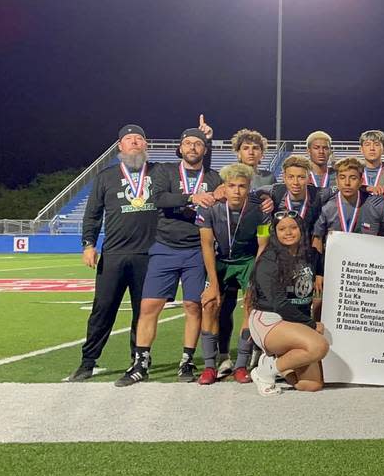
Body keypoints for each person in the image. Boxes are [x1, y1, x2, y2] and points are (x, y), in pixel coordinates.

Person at [117, 127, 223, 387]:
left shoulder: (214, 177)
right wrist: (191, 197)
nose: (192, 148)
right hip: (164, 247)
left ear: (205, 150)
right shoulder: (165, 171)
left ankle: (186, 361)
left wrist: (221, 196)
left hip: (197, 250)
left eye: (198, 144)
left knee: (193, 306)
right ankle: (140, 363)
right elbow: (158, 197)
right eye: (188, 143)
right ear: (180, 148)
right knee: (149, 306)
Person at [69, 124, 159, 382]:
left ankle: (138, 361)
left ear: (146, 144)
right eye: (128, 139)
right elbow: (93, 213)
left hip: (149, 256)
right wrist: (88, 244)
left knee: (142, 313)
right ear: (120, 146)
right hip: (114, 255)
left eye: (139, 139)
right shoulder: (106, 176)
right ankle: (88, 362)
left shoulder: (160, 172)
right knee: (103, 309)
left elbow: (191, 171)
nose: (134, 143)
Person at [197, 163, 270, 385]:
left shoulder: (260, 211)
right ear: (224, 188)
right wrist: (212, 284)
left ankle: (241, 365)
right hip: (220, 261)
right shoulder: (209, 208)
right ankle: (209, 366)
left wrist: (255, 278)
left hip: (248, 260)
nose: (236, 191)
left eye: (242, 186)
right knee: (209, 304)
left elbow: (263, 245)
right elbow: (207, 245)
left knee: (250, 305)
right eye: (231, 186)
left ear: (249, 187)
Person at [246, 212, 329, 396]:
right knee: (319, 346)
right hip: (270, 319)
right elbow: (280, 304)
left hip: (295, 322)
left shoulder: (311, 255)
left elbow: (331, 262)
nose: (288, 232)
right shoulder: (269, 259)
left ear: (301, 229)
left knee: (311, 385)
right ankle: (264, 372)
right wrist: (312, 325)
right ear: (275, 233)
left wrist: (321, 273)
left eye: (293, 227)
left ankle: (277, 362)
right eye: (282, 229)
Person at [312, 157, 367, 252]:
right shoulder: (326, 207)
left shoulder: (369, 204)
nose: (347, 183)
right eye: (342, 177)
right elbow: (317, 238)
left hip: (362, 261)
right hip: (333, 259)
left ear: (361, 182)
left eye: (353, 178)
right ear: (336, 181)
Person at [266, 156, 323, 237]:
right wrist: (264, 196)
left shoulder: (320, 194)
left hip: (308, 245)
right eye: (291, 177)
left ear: (309, 179)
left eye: (301, 177)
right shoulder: (275, 192)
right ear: (284, 178)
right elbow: (254, 194)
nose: (295, 182)